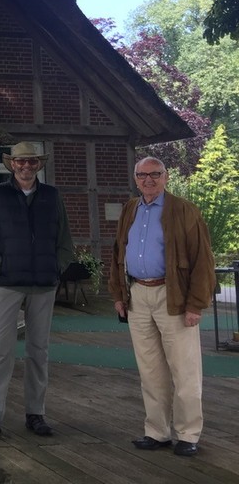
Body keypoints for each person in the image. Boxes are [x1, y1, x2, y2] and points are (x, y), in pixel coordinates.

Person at [108, 156, 216, 457]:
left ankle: (188, 433)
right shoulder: (130, 209)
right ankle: (156, 432)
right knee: (150, 371)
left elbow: (203, 261)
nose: (148, 180)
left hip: (174, 297)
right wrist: (118, 293)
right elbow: (118, 252)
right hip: (137, 296)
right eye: (142, 175)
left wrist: (195, 304)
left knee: (185, 370)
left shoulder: (183, 210)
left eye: (155, 174)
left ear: (166, 177)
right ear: (135, 178)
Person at [0, 142, 75, 439]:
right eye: (21, 162)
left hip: (44, 285)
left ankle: (36, 413)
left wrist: (56, 268)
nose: (26, 166)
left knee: (38, 351)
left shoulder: (52, 196)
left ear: (38, 165)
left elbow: (65, 241)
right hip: (8, 284)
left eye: (31, 161)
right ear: (12, 165)